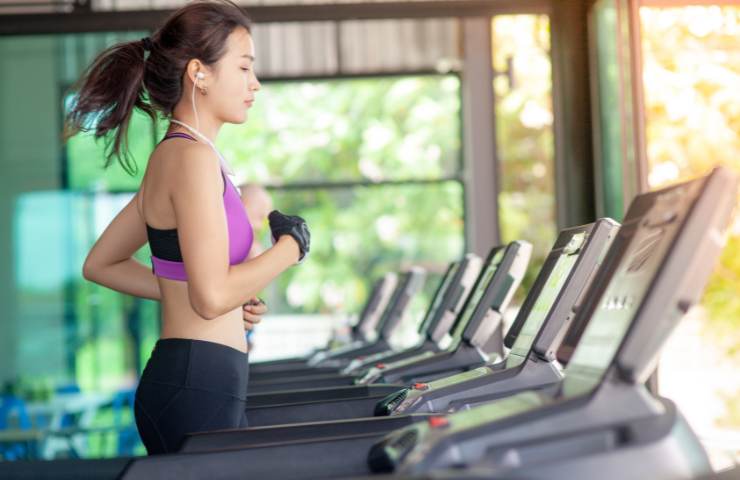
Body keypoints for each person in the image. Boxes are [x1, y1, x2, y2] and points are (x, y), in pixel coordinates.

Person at [63, 0, 310, 455]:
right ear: (200, 73)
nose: (254, 84)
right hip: (198, 384)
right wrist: (289, 249)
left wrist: (208, 292)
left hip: (201, 380)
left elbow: (102, 263)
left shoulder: (183, 155)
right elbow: (212, 296)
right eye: (243, 68)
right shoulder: (190, 159)